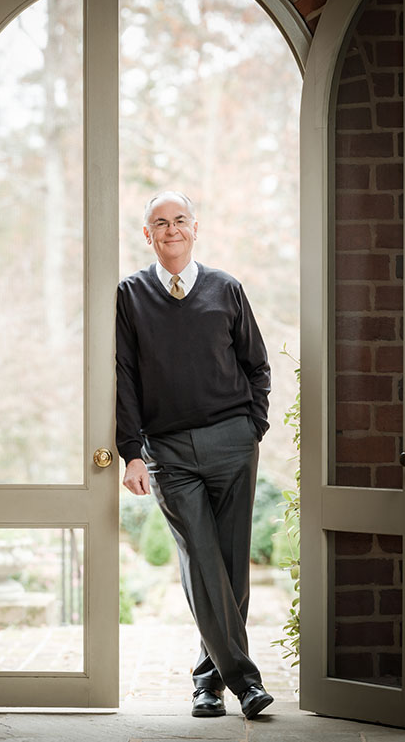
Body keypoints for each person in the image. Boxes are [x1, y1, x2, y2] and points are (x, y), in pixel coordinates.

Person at [115, 190, 273, 719]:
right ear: (147, 235)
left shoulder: (226, 288)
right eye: (160, 223)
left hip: (233, 442)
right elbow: (125, 378)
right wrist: (131, 452)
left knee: (230, 571)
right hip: (169, 452)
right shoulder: (130, 295)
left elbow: (257, 363)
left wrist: (254, 426)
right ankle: (246, 682)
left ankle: (208, 681)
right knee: (203, 561)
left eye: (179, 220)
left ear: (195, 227)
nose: (171, 229)